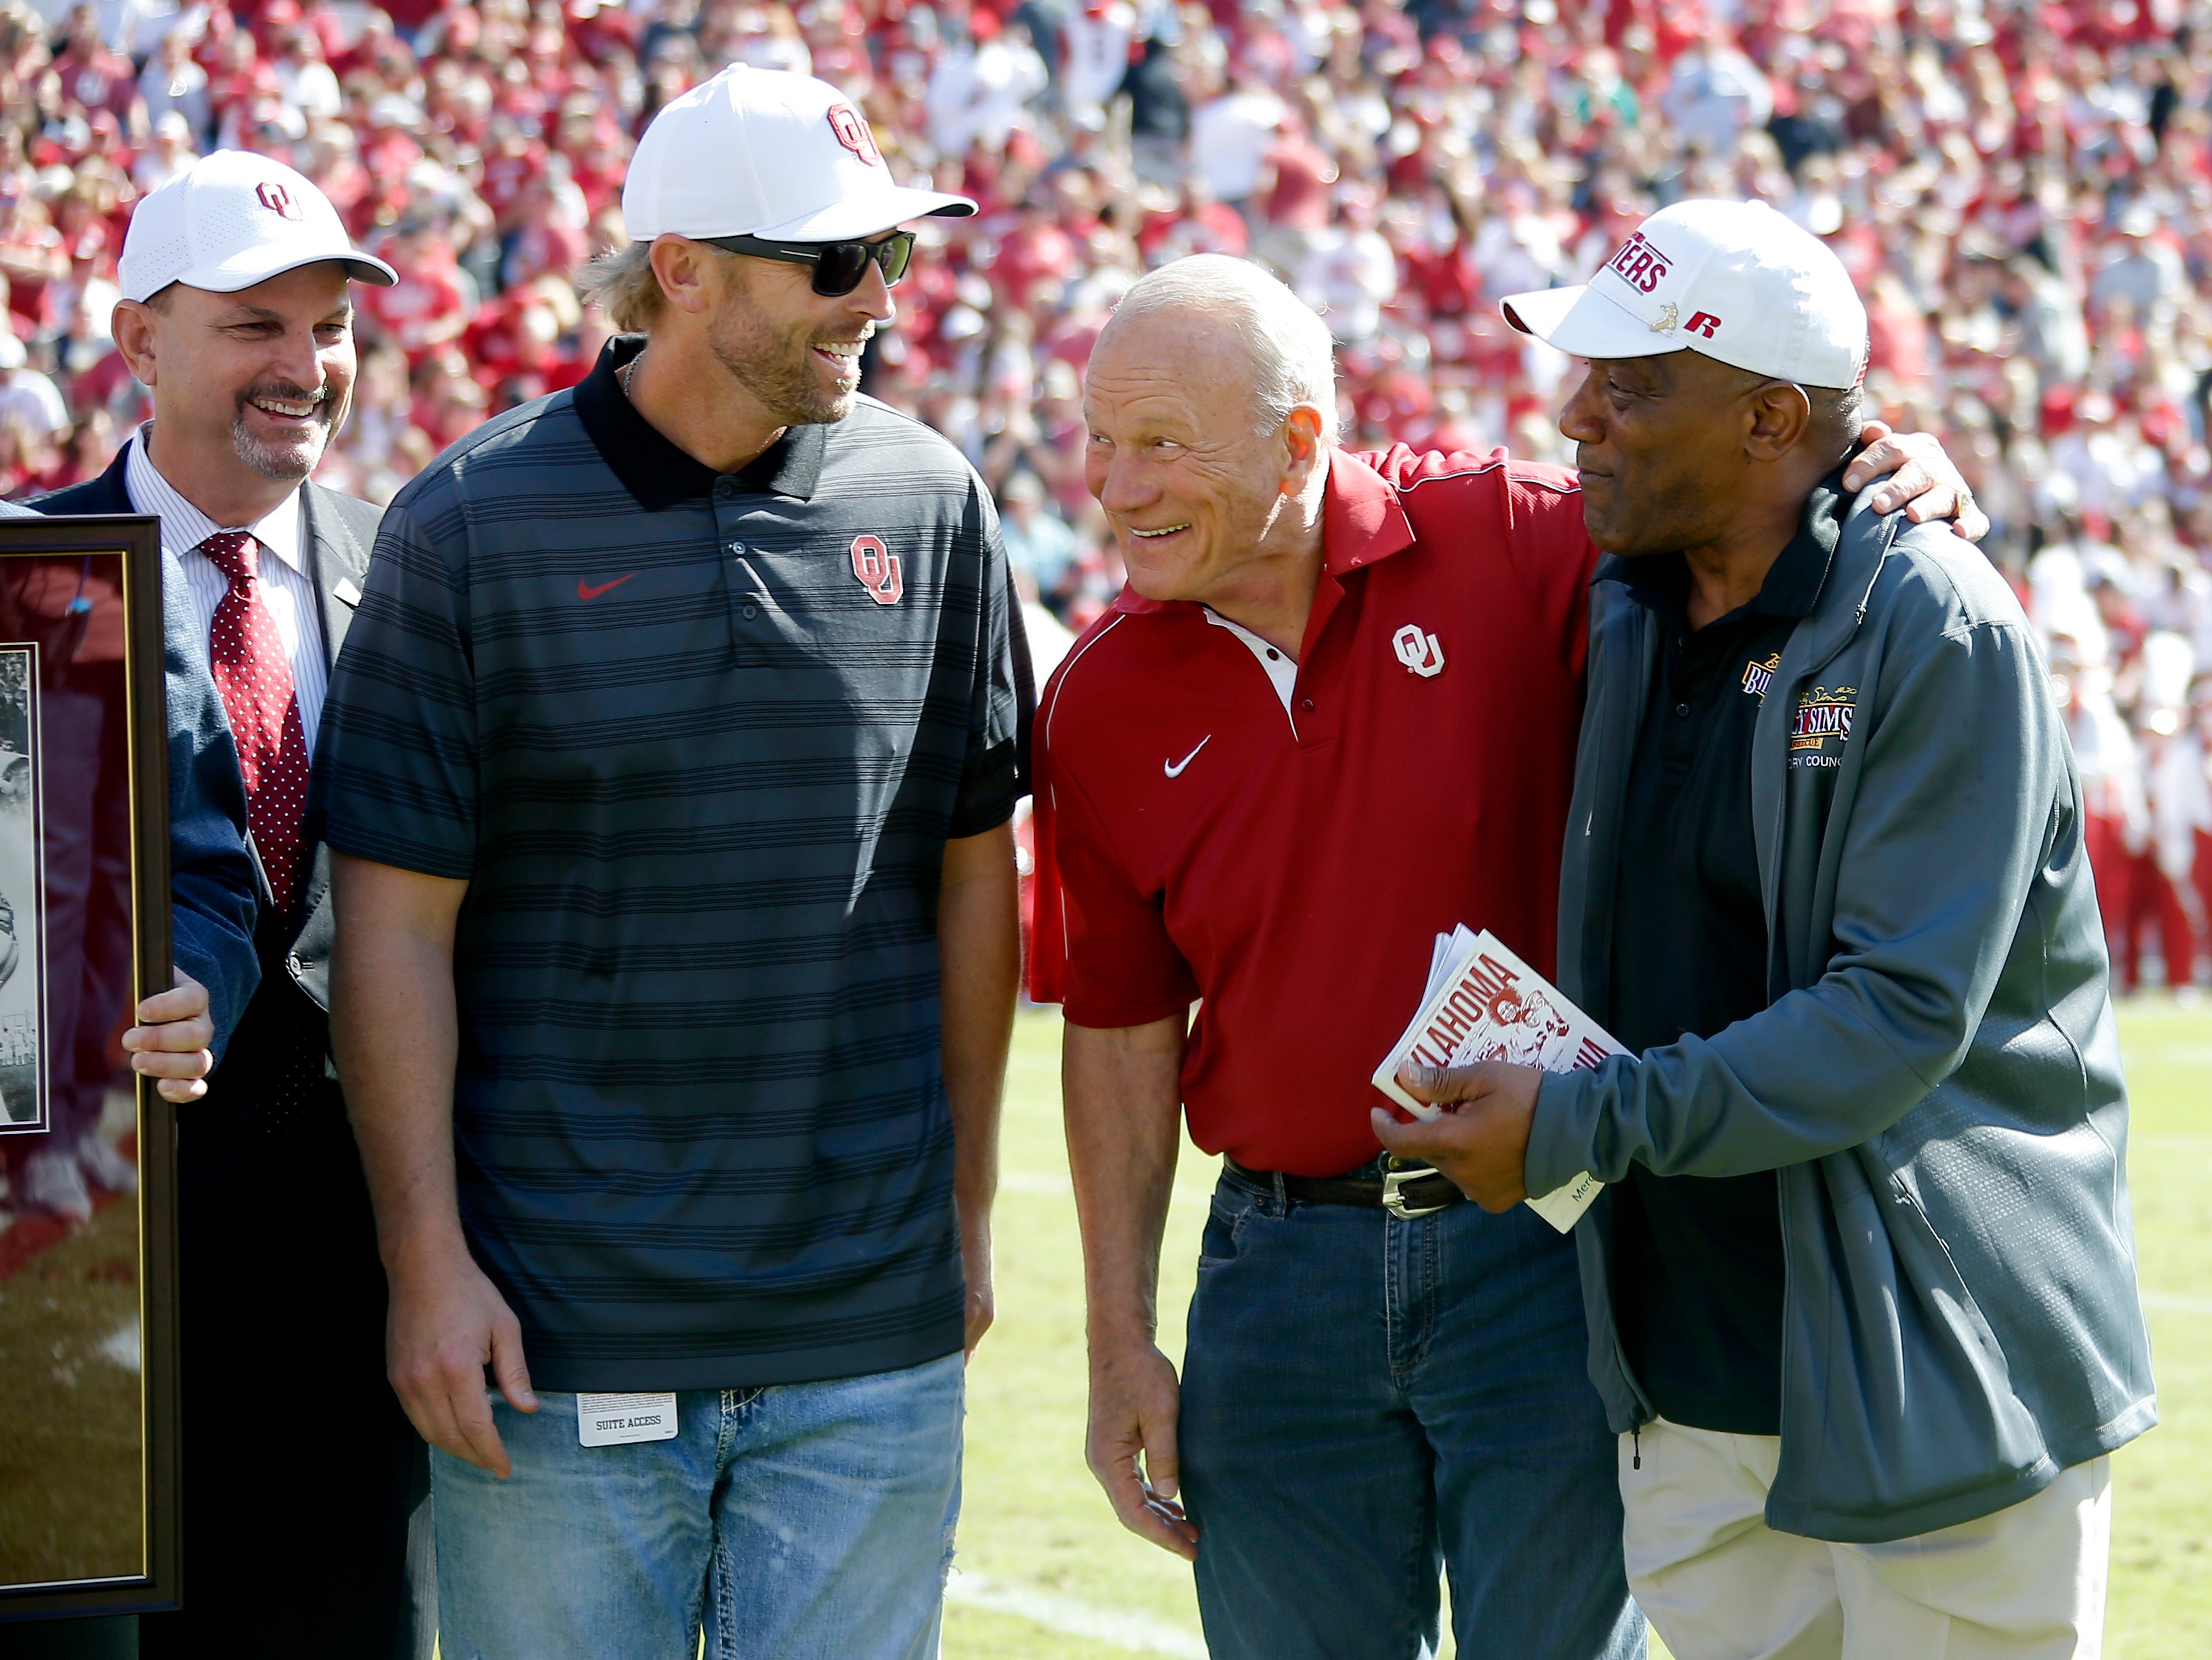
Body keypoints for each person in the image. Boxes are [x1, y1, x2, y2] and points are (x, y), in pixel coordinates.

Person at [1026, 251, 1982, 1660]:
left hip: (1548, 1243)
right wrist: (1119, 1337)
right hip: (1277, 1273)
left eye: (1160, 443)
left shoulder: (1508, 535)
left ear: (1298, 441)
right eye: (1098, 438)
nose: (1112, 485)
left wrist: (1880, 478)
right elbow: (1116, 1023)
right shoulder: (1097, 697)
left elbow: (1750, 519)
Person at [311, 66, 1024, 1658]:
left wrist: (968, 1215)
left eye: (894, 258)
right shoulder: (466, 528)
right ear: (681, 268)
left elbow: (976, 875)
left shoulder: (934, 502)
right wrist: (425, 1264)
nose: (880, 300)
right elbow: (394, 930)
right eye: (837, 262)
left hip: (867, 1349)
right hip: (557, 1346)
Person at [1380, 199, 2155, 1659]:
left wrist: (1577, 1121)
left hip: (1932, 1376)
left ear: (1765, 419)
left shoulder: (1936, 623)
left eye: (1628, 383)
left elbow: (1893, 1018)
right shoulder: (1616, 588)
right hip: (1690, 1375)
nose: (1576, 415)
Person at [39, 148, 434, 1658]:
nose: (307, 365)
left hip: (355, 1279)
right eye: (255, 324)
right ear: (140, 339)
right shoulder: (24, 583)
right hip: (93, 1281)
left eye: (329, 325)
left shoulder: (410, 567)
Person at [1, 492, 259, 1215]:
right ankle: (38, 1139)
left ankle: (78, 1119)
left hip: (125, 666)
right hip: (49, 671)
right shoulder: (56, 517)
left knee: (122, 894)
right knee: (52, 902)